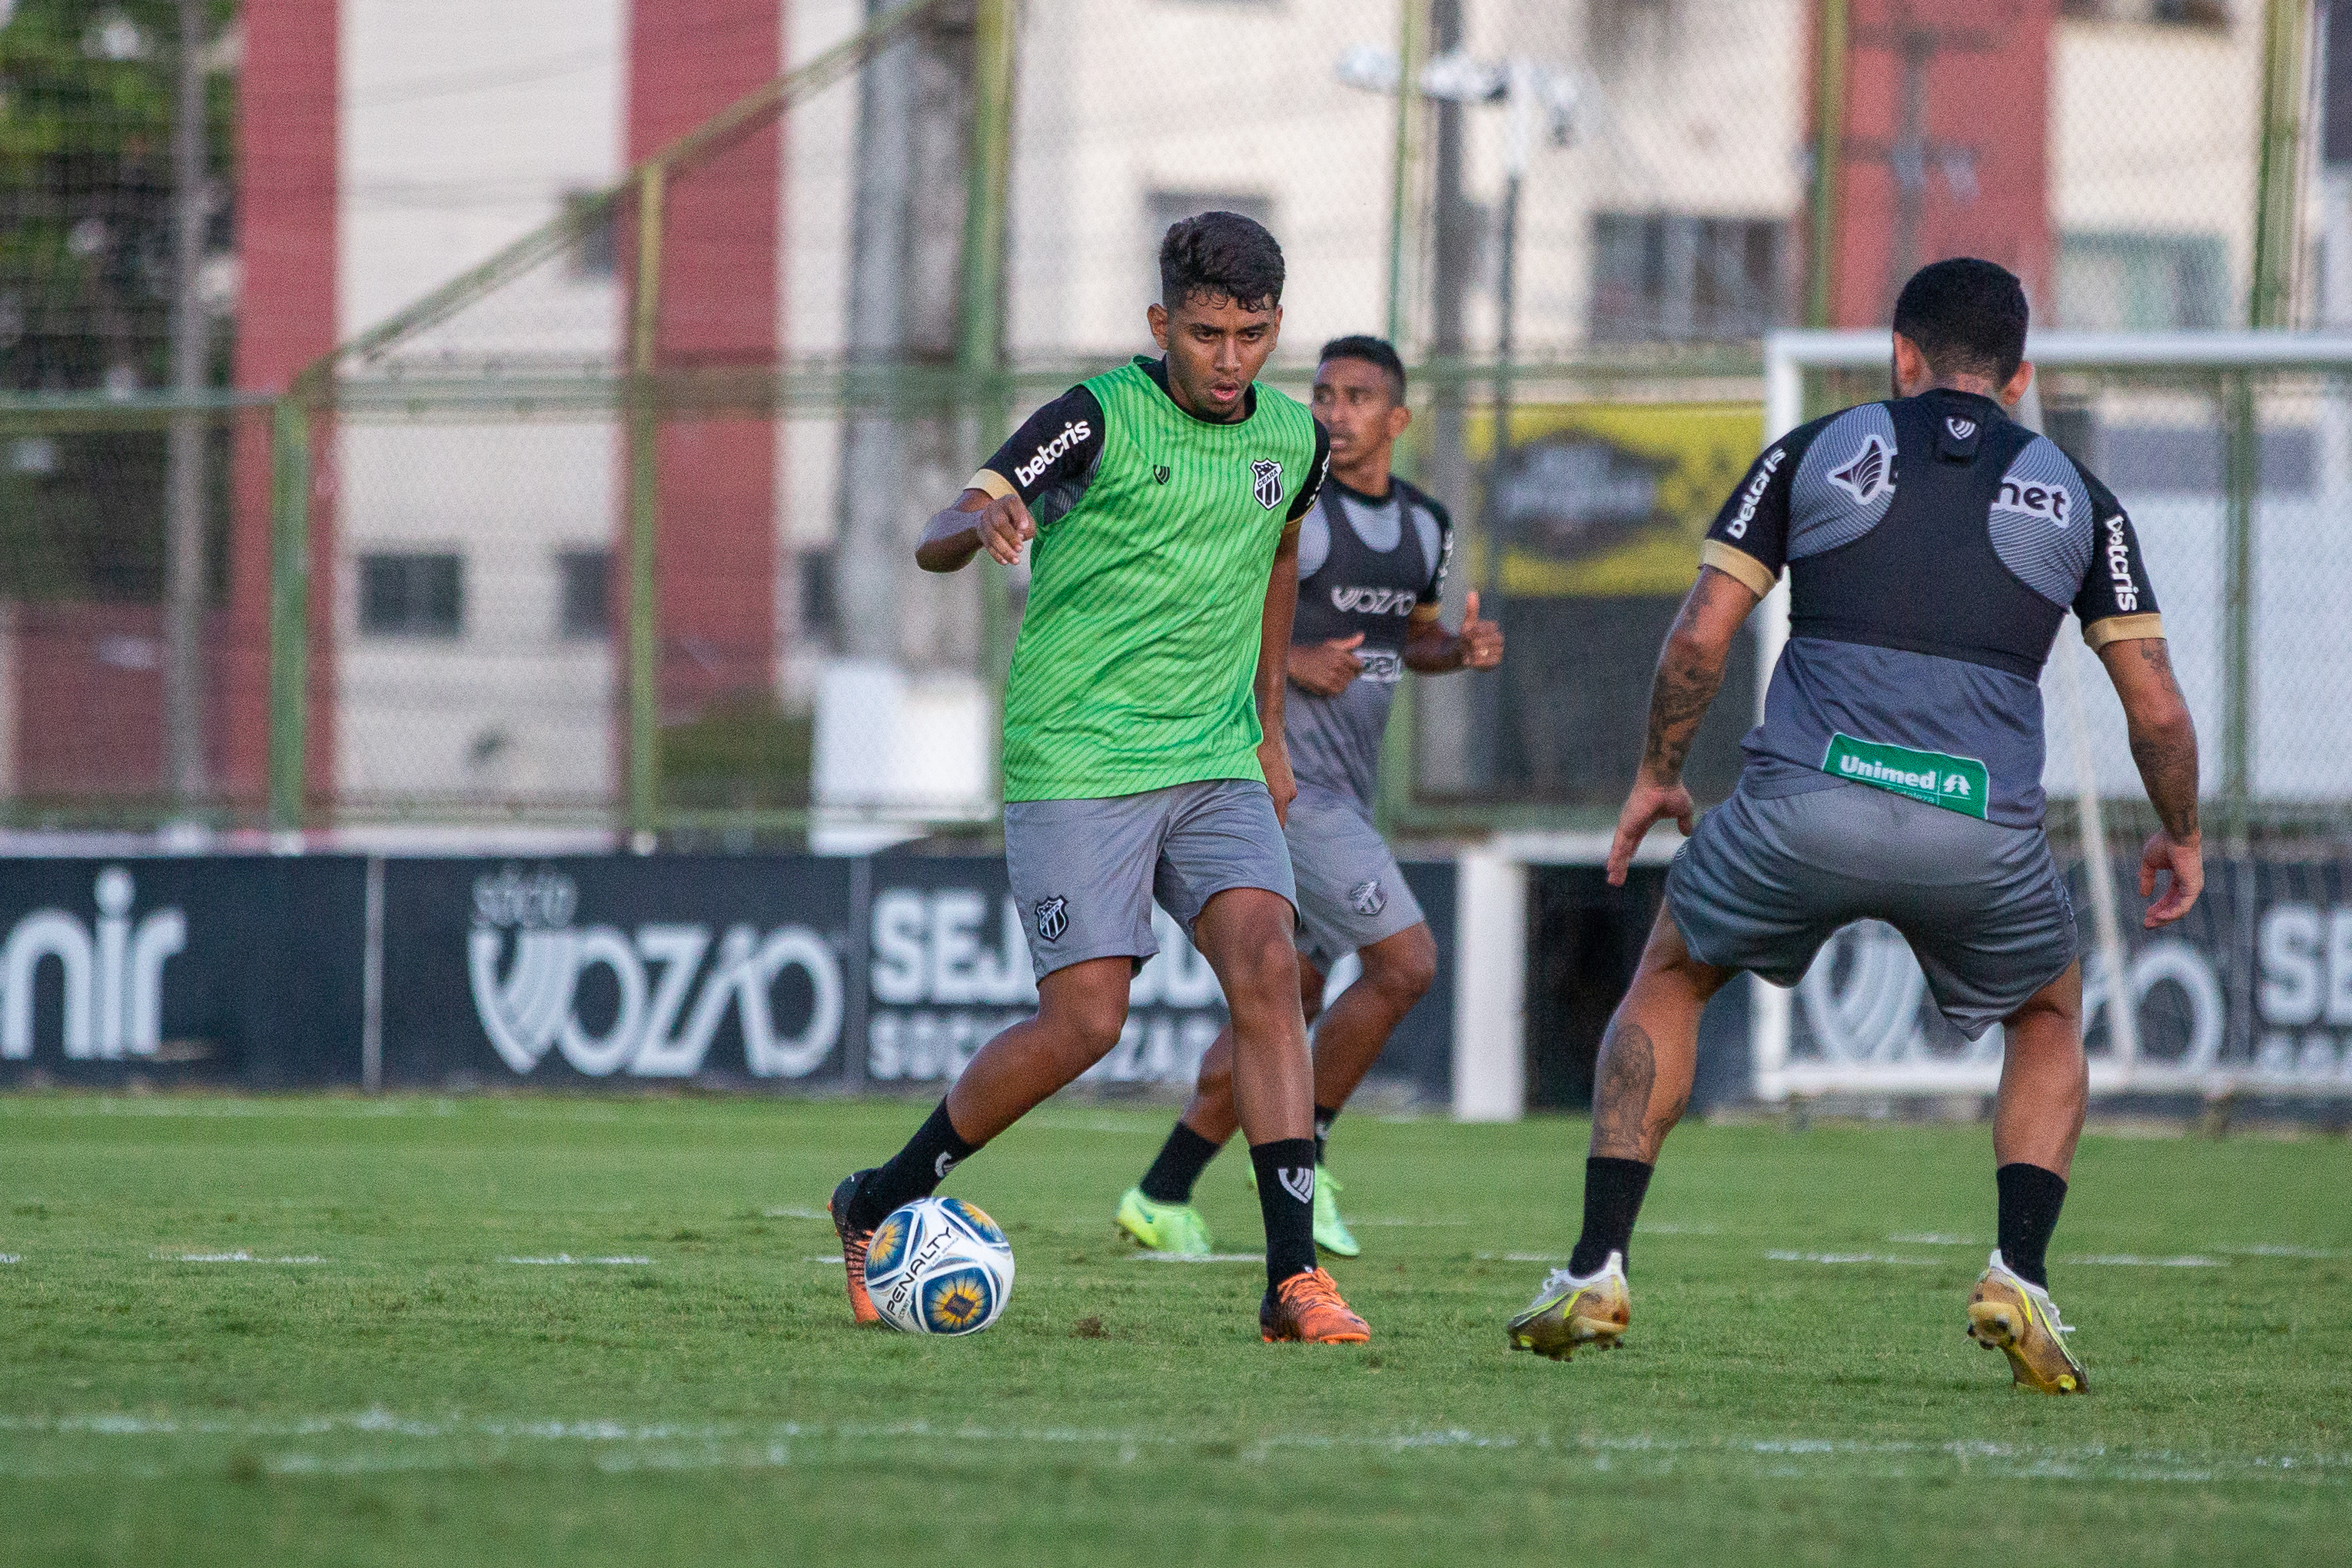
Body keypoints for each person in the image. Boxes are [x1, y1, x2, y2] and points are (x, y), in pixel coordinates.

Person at [1504, 257, 2202, 1394]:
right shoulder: (2081, 498)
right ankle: (2016, 1271)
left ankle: (1596, 1264)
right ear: (2020, 377)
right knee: (2047, 1008)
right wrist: (2182, 831)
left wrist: (1657, 774)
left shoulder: (1814, 450)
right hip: (1976, 834)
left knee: (1672, 977)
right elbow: (2157, 706)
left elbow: (1698, 637)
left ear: (1901, 357)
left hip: (1801, 810)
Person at [829, 211, 1370, 1344]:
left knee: (1270, 972)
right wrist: (982, 517)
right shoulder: (1094, 419)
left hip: (1214, 758)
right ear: (1160, 322)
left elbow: (1280, 549)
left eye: (1254, 335)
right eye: (1209, 333)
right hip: (1079, 756)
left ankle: (1291, 1281)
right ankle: (878, 1199)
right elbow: (938, 530)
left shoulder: (1293, 437)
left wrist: (1269, 723)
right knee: (1086, 1024)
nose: (1231, 360)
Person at [1112, 335, 1502, 1260]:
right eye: (1323, 393)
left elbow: (1408, 641)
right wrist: (1288, 660)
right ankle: (1306, 1153)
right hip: (1285, 788)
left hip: (1347, 797)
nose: (1333, 411)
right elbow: (1211, 616)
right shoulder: (1296, 506)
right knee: (1406, 963)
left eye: (1358, 396)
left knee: (1289, 1000)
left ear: (1397, 420)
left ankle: (1162, 1192)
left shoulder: (1425, 528)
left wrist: (1458, 652)